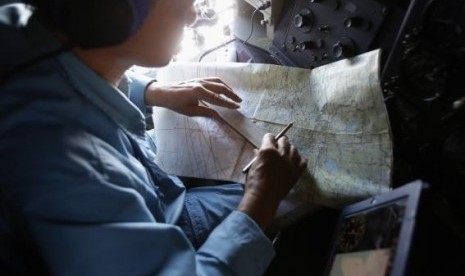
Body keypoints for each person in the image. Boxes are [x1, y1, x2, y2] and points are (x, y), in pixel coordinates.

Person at [0, 0, 307, 275]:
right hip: (151, 233)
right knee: (292, 196)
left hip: (148, 184)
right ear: (116, 14)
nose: (191, 15)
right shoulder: (76, 174)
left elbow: (84, 64)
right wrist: (261, 202)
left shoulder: (18, 28)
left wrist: (150, 91)